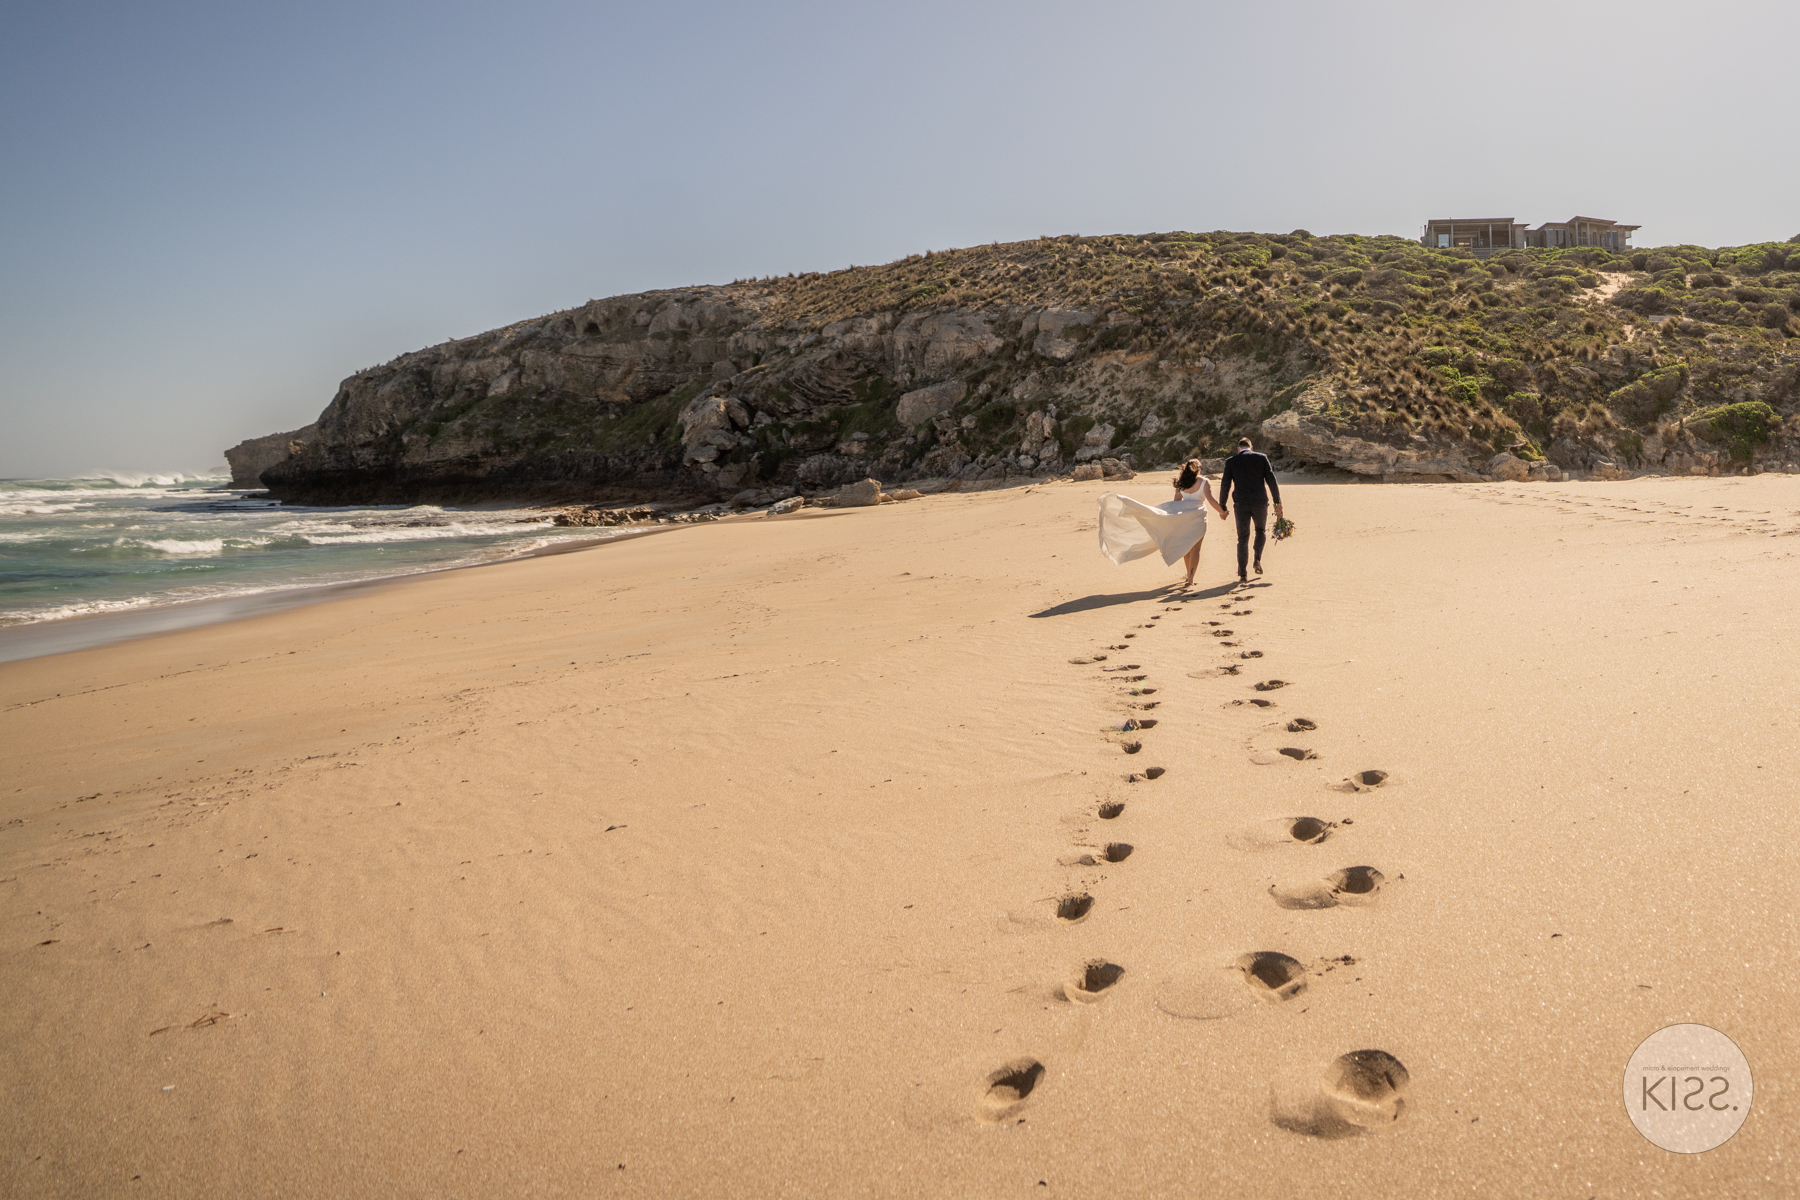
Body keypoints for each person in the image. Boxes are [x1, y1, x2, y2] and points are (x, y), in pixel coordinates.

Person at [1097, 458, 1227, 587]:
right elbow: (1211, 500)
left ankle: (1189, 576)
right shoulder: (1204, 482)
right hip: (1198, 516)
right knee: (1196, 549)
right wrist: (1222, 512)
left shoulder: (1182, 482)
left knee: (1186, 548)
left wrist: (1171, 517)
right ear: (1199, 469)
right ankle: (1191, 579)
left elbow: (1176, 501)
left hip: (1184, 518)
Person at [1216, 437, 1284, 584]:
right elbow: (1272, 480)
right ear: (1251, 447)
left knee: (1242, 538)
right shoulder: (1262, 458)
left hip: (1241, 504)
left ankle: (1242, 573)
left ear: (1238, 449)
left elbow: (1225, 485)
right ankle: (1257, 559)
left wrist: (1222, 506)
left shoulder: (1231, 461)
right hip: (1260, 502)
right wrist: (1277, 502)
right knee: (1260, 531)